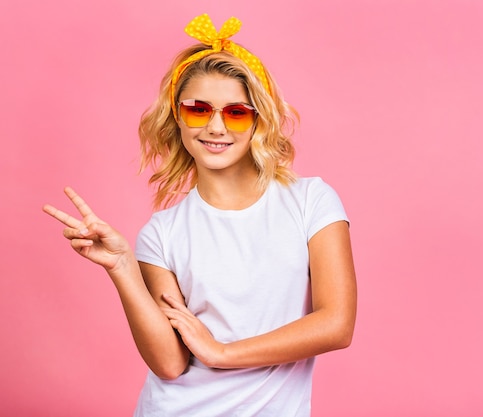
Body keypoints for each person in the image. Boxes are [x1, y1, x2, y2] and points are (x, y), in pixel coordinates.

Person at [43, 13, 357, 417]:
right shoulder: (162, 233)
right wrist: (122, 267)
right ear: (177, 115)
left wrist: (223, 353)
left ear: (259, 119)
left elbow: (337, 323)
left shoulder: (311, 201)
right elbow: (171, 363)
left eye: (236, 112)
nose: (215, 126)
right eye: (198, 109)